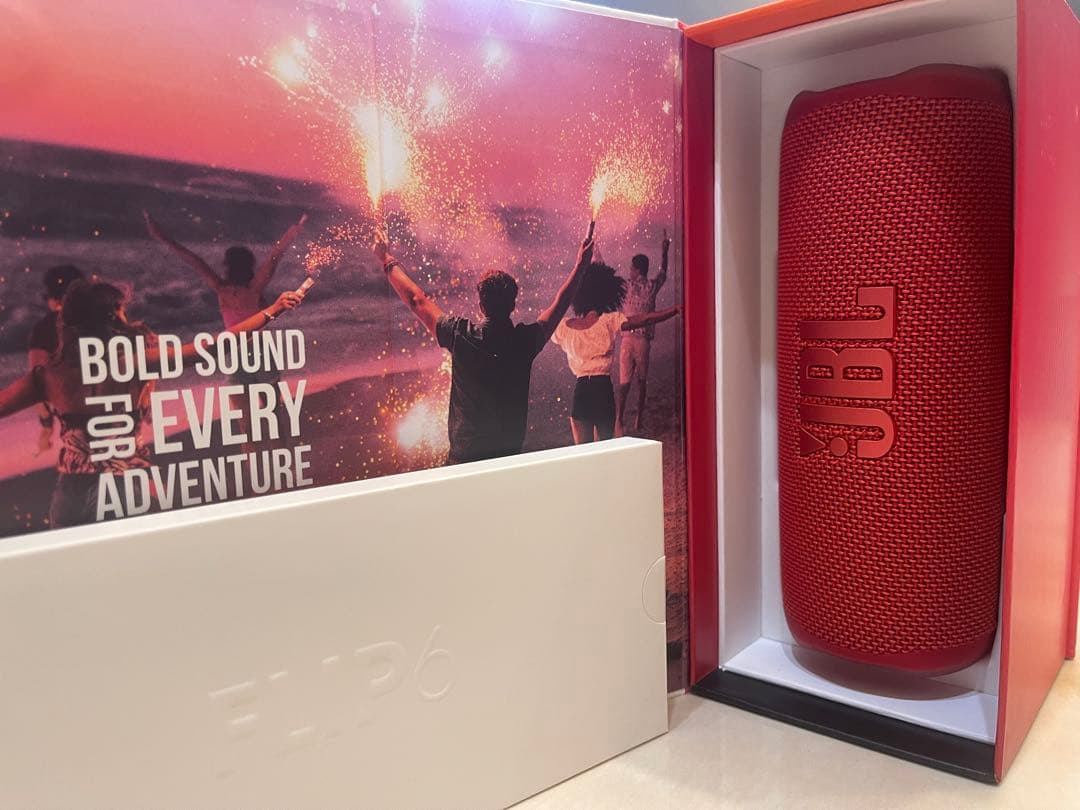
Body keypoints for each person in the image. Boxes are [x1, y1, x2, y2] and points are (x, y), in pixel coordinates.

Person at [0, 281, 304, 529]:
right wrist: (272, 310)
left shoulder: (48, 376)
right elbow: (213, 346)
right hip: (125, 486)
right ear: (112, 318)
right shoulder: (133, 362)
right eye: (120, 310)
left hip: (72, 493)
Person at [373, 222, 596, 464]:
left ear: (481, 306)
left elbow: (417, 300)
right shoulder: (525, 341)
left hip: (463, 461)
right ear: (513, 305)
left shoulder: (459, 335)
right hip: (507, 460)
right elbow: (560, 303)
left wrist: (386, 259)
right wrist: (580, 266)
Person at [552, 261, 678, 444]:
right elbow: (645, 319)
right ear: (607, 295)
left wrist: (568, 290)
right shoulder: (609, 321)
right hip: (603, 390)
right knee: (606, 450)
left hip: (581, 393)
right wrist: (674, 310)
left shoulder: (565, 327)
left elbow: (549, 315)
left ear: (578, 296)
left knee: (583, 453)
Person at [615, 231, 670, 436]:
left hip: (633, 339)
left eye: (631, 268)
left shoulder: (630, 285)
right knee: (639, 380)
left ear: (637, 269)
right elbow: (663, 272)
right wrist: (664, 251)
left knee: (628, 381)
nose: (629, 271)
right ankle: (633, 417)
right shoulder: (649, 286)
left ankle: (623, 418)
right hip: (638, 339)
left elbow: (663, 273)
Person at [27, 264, 85, 454]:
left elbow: (36, 382)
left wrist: (46, 427)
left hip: (74, 417)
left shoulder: (43, 329)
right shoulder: (103, 320)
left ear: (53, 299)